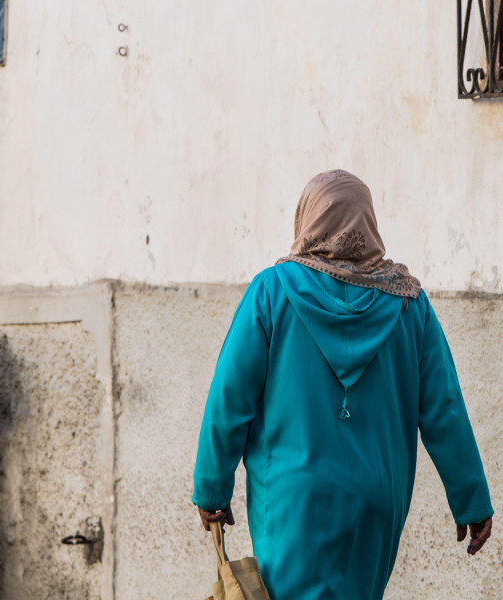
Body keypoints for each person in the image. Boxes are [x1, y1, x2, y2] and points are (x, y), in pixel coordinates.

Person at [192, 170, 493, 600]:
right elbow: (443, 408)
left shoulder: (271, 292)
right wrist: (471, 500)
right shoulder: (409, 303)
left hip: (294, 503)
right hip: (377, 503)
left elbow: (230, 398)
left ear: (307, 220)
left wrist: (211, 489)